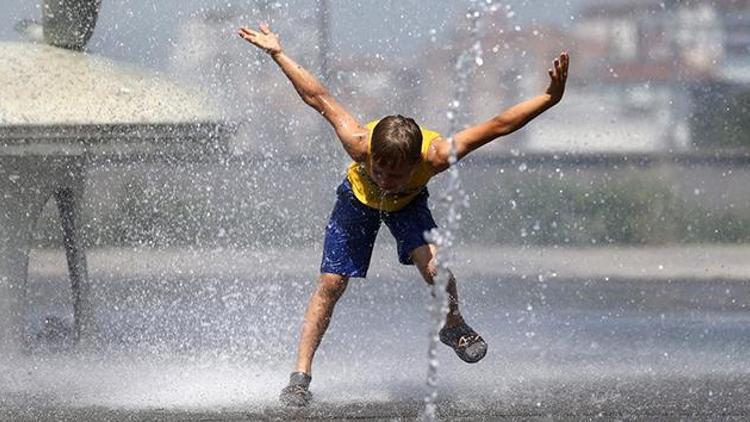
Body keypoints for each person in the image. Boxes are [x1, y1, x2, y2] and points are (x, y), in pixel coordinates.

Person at [238, 22, 569, 407]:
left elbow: (497, 126)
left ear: (417, 162)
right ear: (371, 157)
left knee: (436, 269)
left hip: (410, 207)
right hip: (356, 202)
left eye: (397, 174)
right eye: (380, 170)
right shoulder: (360, 143)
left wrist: (549, 98)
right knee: (331, 283)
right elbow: (318, 97)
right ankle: (299, 377)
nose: (387, 180)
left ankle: (453, 325)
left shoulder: (437, 155)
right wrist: (278, 52)